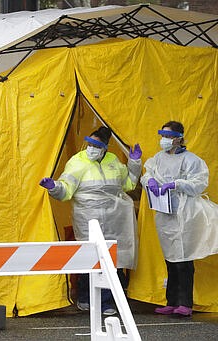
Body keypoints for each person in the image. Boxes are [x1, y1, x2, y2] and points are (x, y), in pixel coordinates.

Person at [141, 121, 218, 317]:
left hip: (184, 212)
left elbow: (199, 184)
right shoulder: (158, 158)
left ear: (179, 138)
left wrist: (175, 184)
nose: (164, 140)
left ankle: (185, 302)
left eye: (168, 136)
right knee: (170, 258)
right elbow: (147, 175)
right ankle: (171, 301)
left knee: (184, 258)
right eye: (162, 135)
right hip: (164, 213)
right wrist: (151, 181)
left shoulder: (192, 160)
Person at [39, 126, 142, 316]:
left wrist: (134, 163)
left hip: (114, 218)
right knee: (91, 258)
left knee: (113, 259)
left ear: (105, 147)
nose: (91, 148)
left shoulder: (113, 161)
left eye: (96, 145)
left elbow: (128, 184)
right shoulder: (77, 162)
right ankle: (86, 297)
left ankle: (108, 301)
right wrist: (54, 187)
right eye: (89, 143)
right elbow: (66, 190)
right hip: (88, 218)